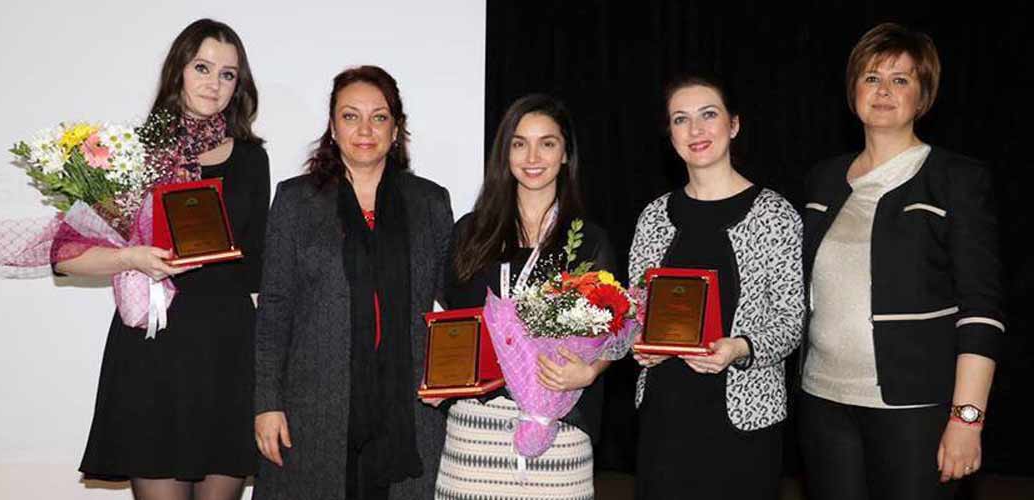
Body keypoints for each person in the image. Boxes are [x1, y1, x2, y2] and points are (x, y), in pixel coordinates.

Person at [55, 18, 269, 500]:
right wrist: (133, 257)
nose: (214, 83)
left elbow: (258, 264)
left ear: (239, 86)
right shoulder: (131, 152)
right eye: (202, 67)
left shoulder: (253, 158)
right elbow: (66, 256)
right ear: (178, 71)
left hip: (227, 350)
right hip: (154, 349)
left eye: (228, 74)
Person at [798, 22, 1004, 500]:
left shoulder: (955, 179)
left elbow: (981, 310)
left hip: (916, 408)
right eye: (871, 78)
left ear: (923, 96)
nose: (884, 91)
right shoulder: (822, 179)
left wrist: (966, 418)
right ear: (853, 92)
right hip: (823, 402)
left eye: (901, 79)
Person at [252, 65, 453, 500]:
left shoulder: (431, 203)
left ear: (396, 129)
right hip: (315, 409)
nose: (365, 129)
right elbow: (274, 310)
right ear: (332, 126)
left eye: (379, 117)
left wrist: (451, 382)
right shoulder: (295, 200)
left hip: (408, 411)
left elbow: (453, 308)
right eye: (350, 116)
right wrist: (267, 403)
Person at [431, 94, 624, 499]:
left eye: (547, 143)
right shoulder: (470, 232)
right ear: (505, 153)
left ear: (566, 155)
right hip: (474, 430)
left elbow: (618, 327)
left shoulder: (589, 240)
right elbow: (448, 316)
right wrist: (437, 377)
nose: (532, 156)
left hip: (559, 426)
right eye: (519, 143)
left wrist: (591, 372)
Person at [628, 74, 804, 500]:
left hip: (743, 418)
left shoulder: (775, 215)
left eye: (709, 115)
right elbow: (632, 309)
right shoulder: (654, 215)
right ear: (670, 135)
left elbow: (792, 320)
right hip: (664, 415)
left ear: (734, 124)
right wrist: (636, 340)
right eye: (681, 120)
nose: (696, 130)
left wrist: (738, 348)